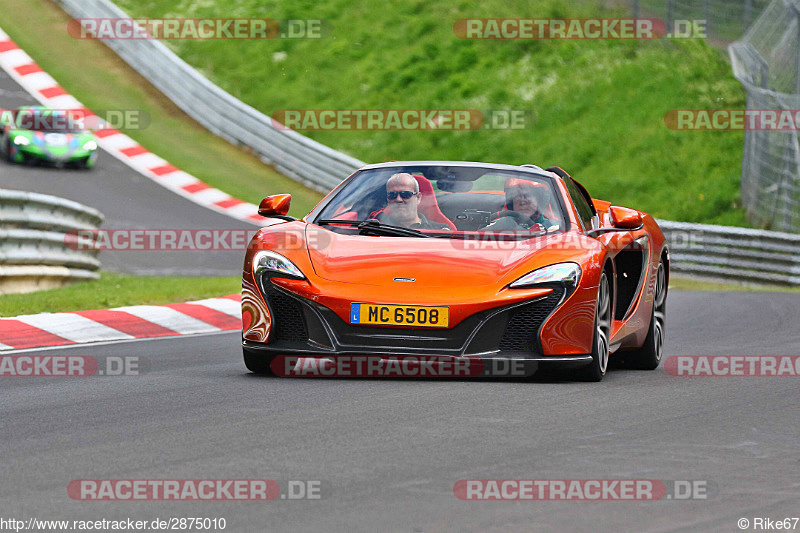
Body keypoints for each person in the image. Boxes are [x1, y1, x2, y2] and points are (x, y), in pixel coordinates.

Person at [378, 173, 451, 230]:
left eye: (405, 194)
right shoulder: (376, 229)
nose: (398, 199)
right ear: (387, 198)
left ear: (418, 198)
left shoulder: (440, 230)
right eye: (392, 195)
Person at [486, 178, 556, 230]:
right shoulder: (499, 225)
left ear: (539, 199)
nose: (522, 202)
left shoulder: (554, 228)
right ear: (511, 202)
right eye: (517, 196)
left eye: (527, 196)